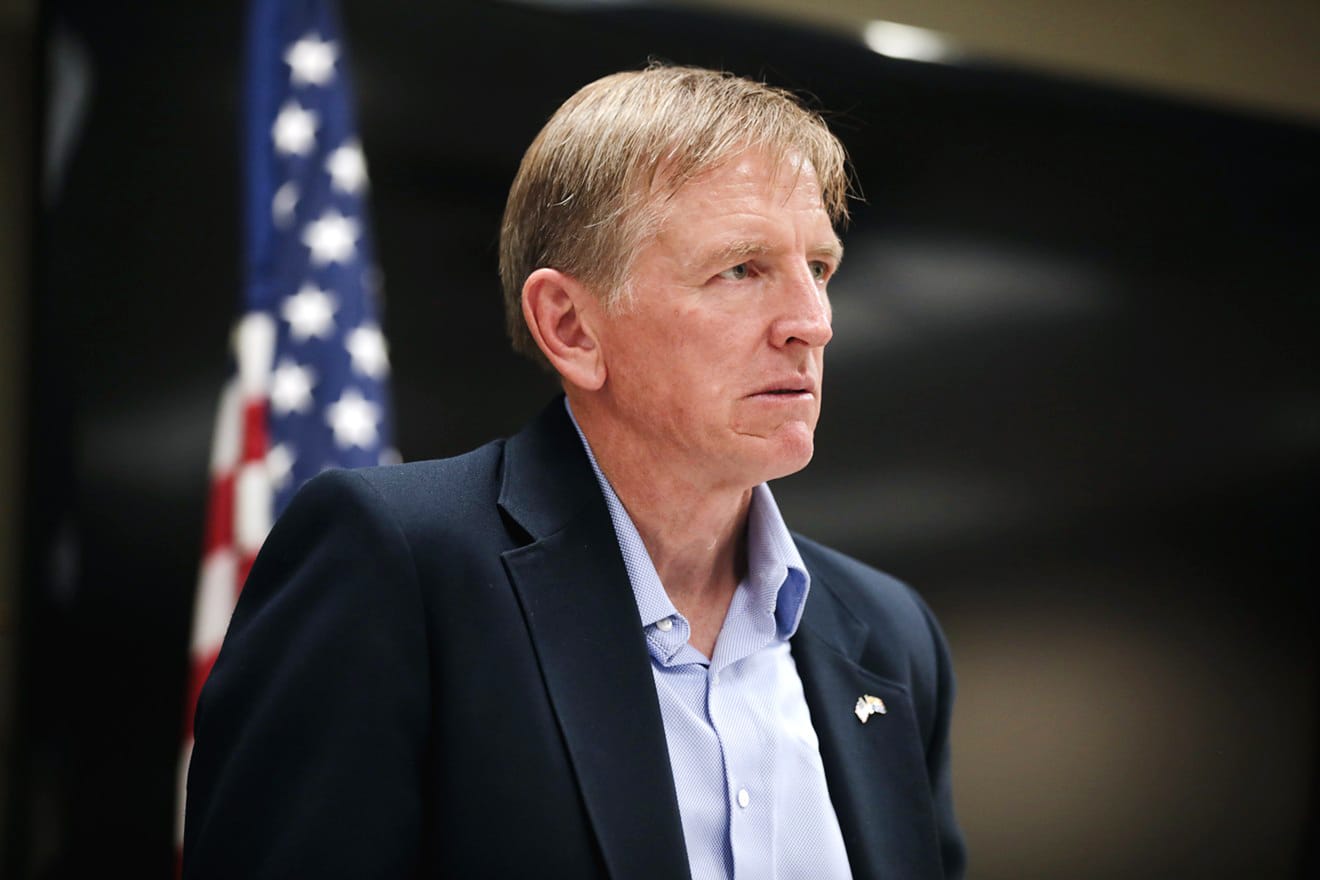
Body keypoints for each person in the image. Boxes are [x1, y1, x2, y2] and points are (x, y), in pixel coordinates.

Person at [183, 64, 965, 879]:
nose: (813, 322)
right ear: (571, 328)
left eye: (821, 269)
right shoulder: (398, 567)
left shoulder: (892, 634)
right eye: (741, 268)